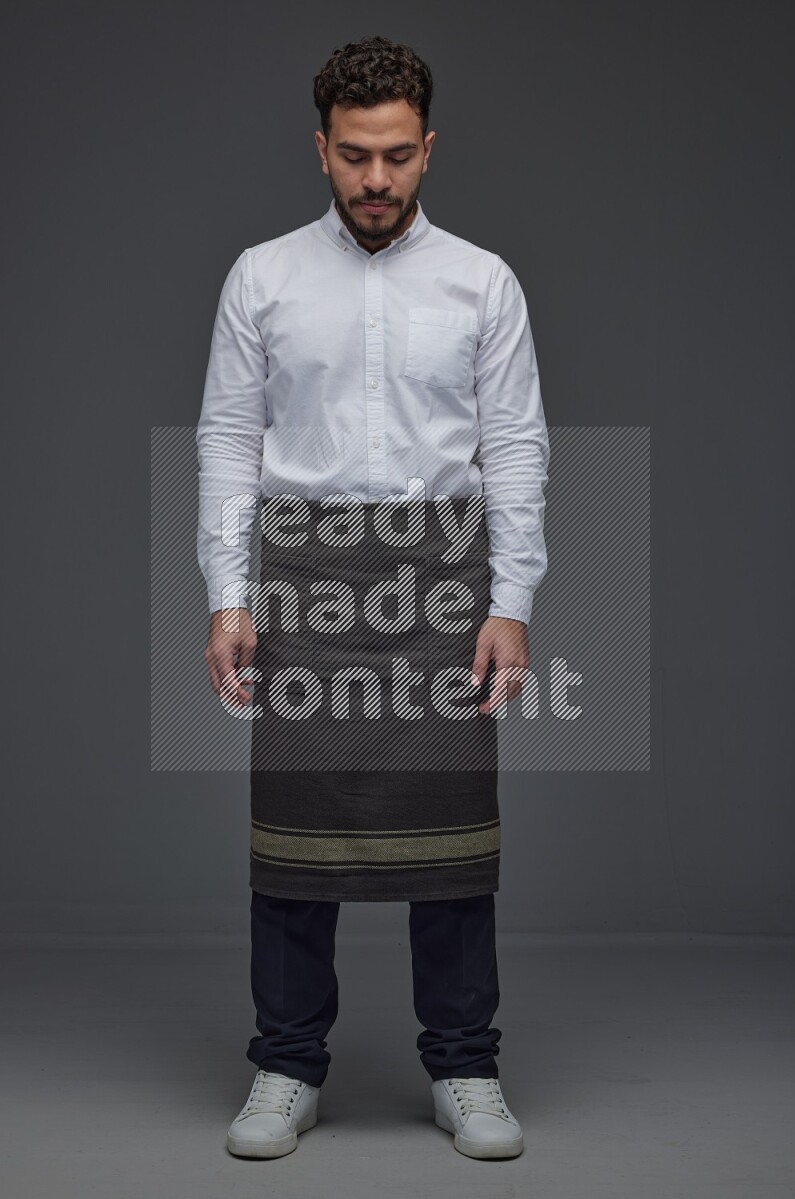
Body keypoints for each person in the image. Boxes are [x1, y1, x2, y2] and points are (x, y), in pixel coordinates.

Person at [195, 34, 549, 1161]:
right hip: (304, 573)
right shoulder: (262, 275)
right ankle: (285, 1062)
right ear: (320, 150)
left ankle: (465, 1063)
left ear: (427, 149)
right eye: (354, 156)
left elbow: (514, 444)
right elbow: (228, 439)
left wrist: (512, 598)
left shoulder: (481, 281)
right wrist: (227, 591)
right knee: (294, 845)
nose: (376, 181)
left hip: (442, 575)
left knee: (452, 848)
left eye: (396, 155)